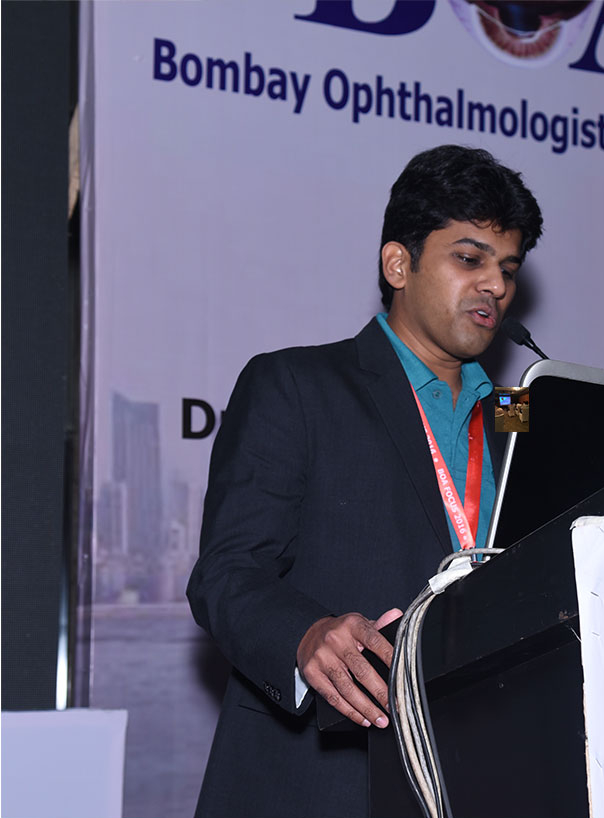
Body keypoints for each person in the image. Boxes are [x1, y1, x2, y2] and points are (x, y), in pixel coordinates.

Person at [186, 144, 543, 818]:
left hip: (491, 772)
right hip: (329, 780)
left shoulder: (520, 418)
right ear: (398, 264)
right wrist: (304, 634)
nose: (495, 286)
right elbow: (227, 572)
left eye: (507, 268)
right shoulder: (296, 386)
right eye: (470, 259)